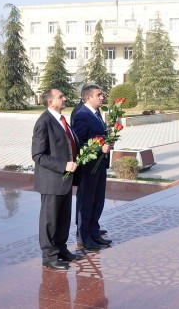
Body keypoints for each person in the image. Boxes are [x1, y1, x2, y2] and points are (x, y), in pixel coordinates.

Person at [32, 88, 80, 270]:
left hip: (64, 180)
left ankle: (61, 248)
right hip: (52, 180)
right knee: (50, 220)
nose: (64, 98)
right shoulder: (43, 122)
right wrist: (63, 166)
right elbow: (38, 155)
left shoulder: (60, 119)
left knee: (63, 218)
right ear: (50, 102)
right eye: (61, 96)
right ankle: (49, 255)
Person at [72, 83, 112, 251]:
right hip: (89, 167)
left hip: (100, 165)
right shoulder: (81, 115)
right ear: (88, 97)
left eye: (102, 94)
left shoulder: (96, 113)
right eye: (99, 94)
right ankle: (85, 237)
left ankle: (94, 233)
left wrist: (109, 140)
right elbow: (79, 143)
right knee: (87, 202)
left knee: (98, 201)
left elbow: (97, 136)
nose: (102, 97)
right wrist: (99, 148)